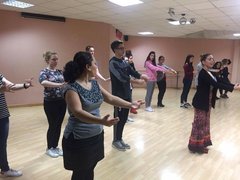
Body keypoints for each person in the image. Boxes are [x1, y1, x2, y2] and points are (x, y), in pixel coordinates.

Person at [62, 51, 143, 180]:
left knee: (90, 168)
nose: (97, 67)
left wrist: (130, 104)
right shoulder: (71, 88)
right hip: (79, 139)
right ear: (88, 67)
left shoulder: (94, 83)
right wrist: (101, 121)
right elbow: (78, 112)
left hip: (96, 135)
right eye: (95, 63)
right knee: (80, 173)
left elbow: (110, 98)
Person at [188, 53, 240, 154]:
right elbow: (216, 84)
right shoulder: (203, 73)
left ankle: (202, 143)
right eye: (209, 59)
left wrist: (233, 85)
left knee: (205, 124)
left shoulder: (209, 72)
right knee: (199, 124)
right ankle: (195, 146)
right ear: (203, 62)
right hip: (200, 102)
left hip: (207, 102)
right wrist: (233, 88)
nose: (212, 61)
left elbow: (220, 80)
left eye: (213, 59)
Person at [109, 40, 148, 151]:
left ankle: (119, 139)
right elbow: (121, 77)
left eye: (123, 48)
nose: (123, 50)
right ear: (115, 50)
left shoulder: (123, 61)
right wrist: (137, 82)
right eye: (121, 48)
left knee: (124, 118)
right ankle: (115, 141)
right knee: (118, 119)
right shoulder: (112, 62)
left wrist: (141, 76)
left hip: (126, 94)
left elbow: (131, 71)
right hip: (118, 96)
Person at [0, 74, 33, 177]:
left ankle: (5, 169)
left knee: (2, 144)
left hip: (2, 114)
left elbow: (11, 86)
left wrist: (25, 85)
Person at [39, 51, 66, 158]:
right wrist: (60, 84)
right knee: (53, 125)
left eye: (57, 59)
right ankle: (49, 148)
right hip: (50, 103)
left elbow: (66, 82)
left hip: (62, 102)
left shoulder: (60, 72)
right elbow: (43, 82)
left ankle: (55, 146)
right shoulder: (44, 72)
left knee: (58, 125)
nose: (56, 61)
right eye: (53, 59)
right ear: (47, 60)